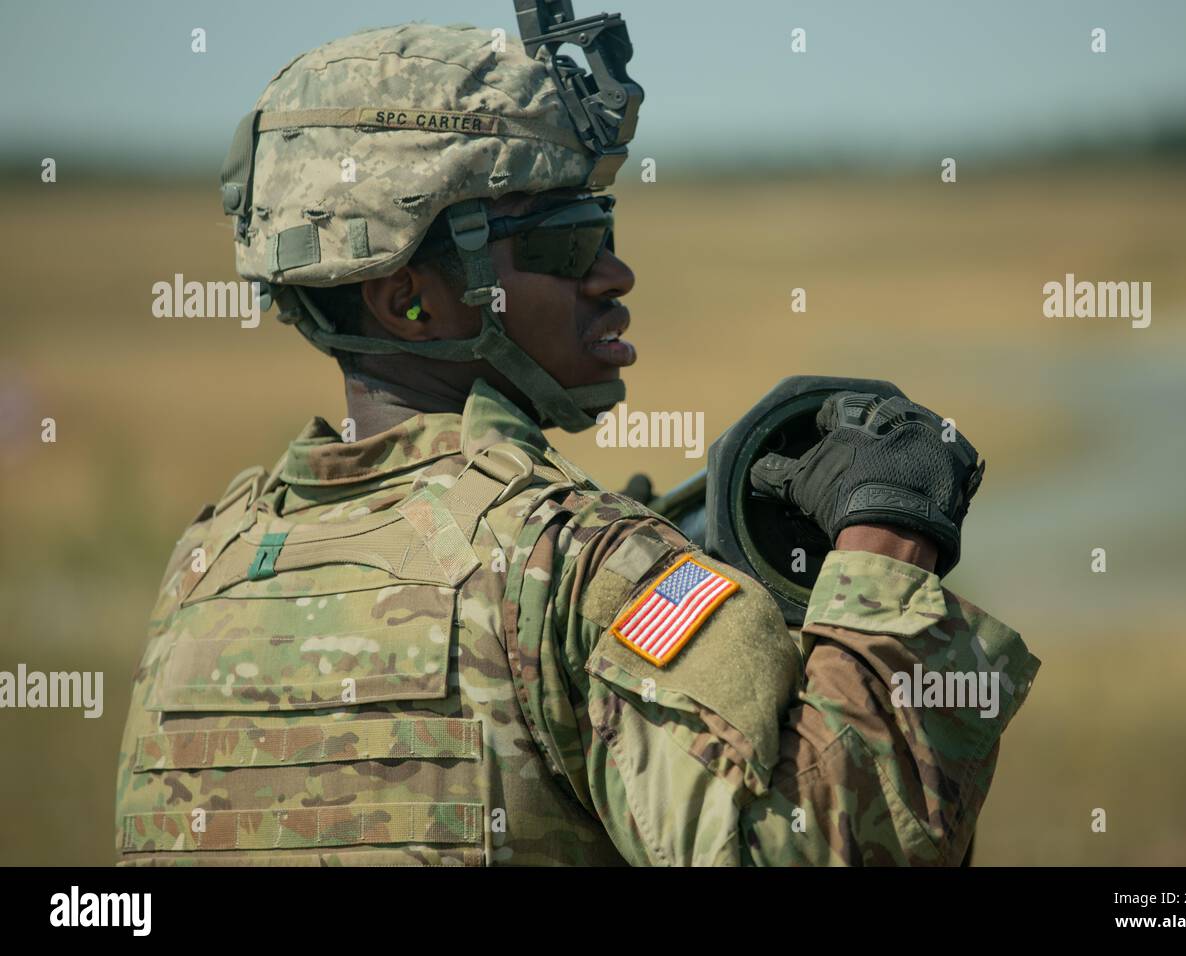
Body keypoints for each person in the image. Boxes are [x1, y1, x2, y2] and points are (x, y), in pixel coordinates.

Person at [114, 17, 1038, 867]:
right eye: (565, 244)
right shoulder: (577, 567)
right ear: (408, 299)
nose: (614, 273)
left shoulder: (208, 565)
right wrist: (887, 544)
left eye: (604, 229)